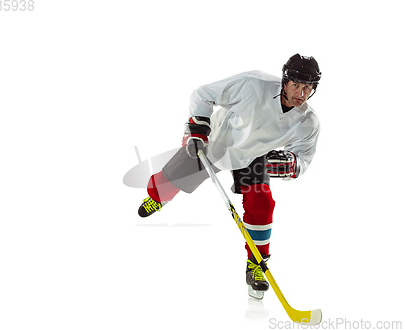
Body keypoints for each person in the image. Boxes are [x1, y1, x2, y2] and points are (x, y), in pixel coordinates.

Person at [138, 54, 322, 300]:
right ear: (285, 81)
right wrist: (197, 127)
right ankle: (157, 198)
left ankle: (255, 265)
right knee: (167, 181)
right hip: (217, 142)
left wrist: (291, 166)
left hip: (255, 157)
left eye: (308, 87)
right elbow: (203, 94)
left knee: (262, 204)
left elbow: (304, 160)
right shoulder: (253, 83)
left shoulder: (308, 122)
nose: (301, 92)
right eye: (296, 85)